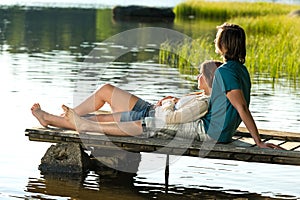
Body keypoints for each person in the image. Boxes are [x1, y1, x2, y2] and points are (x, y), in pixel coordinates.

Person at [31, 60, 221, 138]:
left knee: (94, 120)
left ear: (209, 79)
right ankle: (65, 115)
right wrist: (170, 101)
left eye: (201, 75)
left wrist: (168, 103)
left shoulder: (203, 102)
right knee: (106, 90)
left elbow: (171, 118)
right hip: (149, 109)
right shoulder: (200, 95)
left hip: (150, 119)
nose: (197, 77)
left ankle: (48, 118)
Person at [200, 22, 283, 149]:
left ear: (224, 43)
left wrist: (259, 142)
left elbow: (242, 107)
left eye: (217, 38)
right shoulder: (241, 69)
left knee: (163, 123)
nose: (215, 40)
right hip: (222, 133)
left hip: (210, 132)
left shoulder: (225, 71)